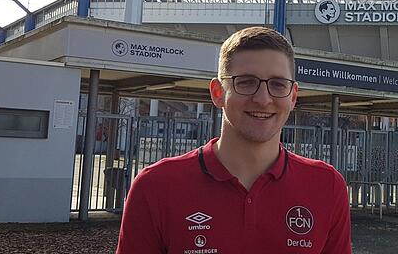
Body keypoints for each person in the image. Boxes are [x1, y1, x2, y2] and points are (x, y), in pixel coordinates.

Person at [116, 26, 351, 254]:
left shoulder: (327, 186)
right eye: (246, 82)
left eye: (278, 84)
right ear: (218, 92)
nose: (262, 99)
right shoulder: (156, 186)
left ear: (293, 96)